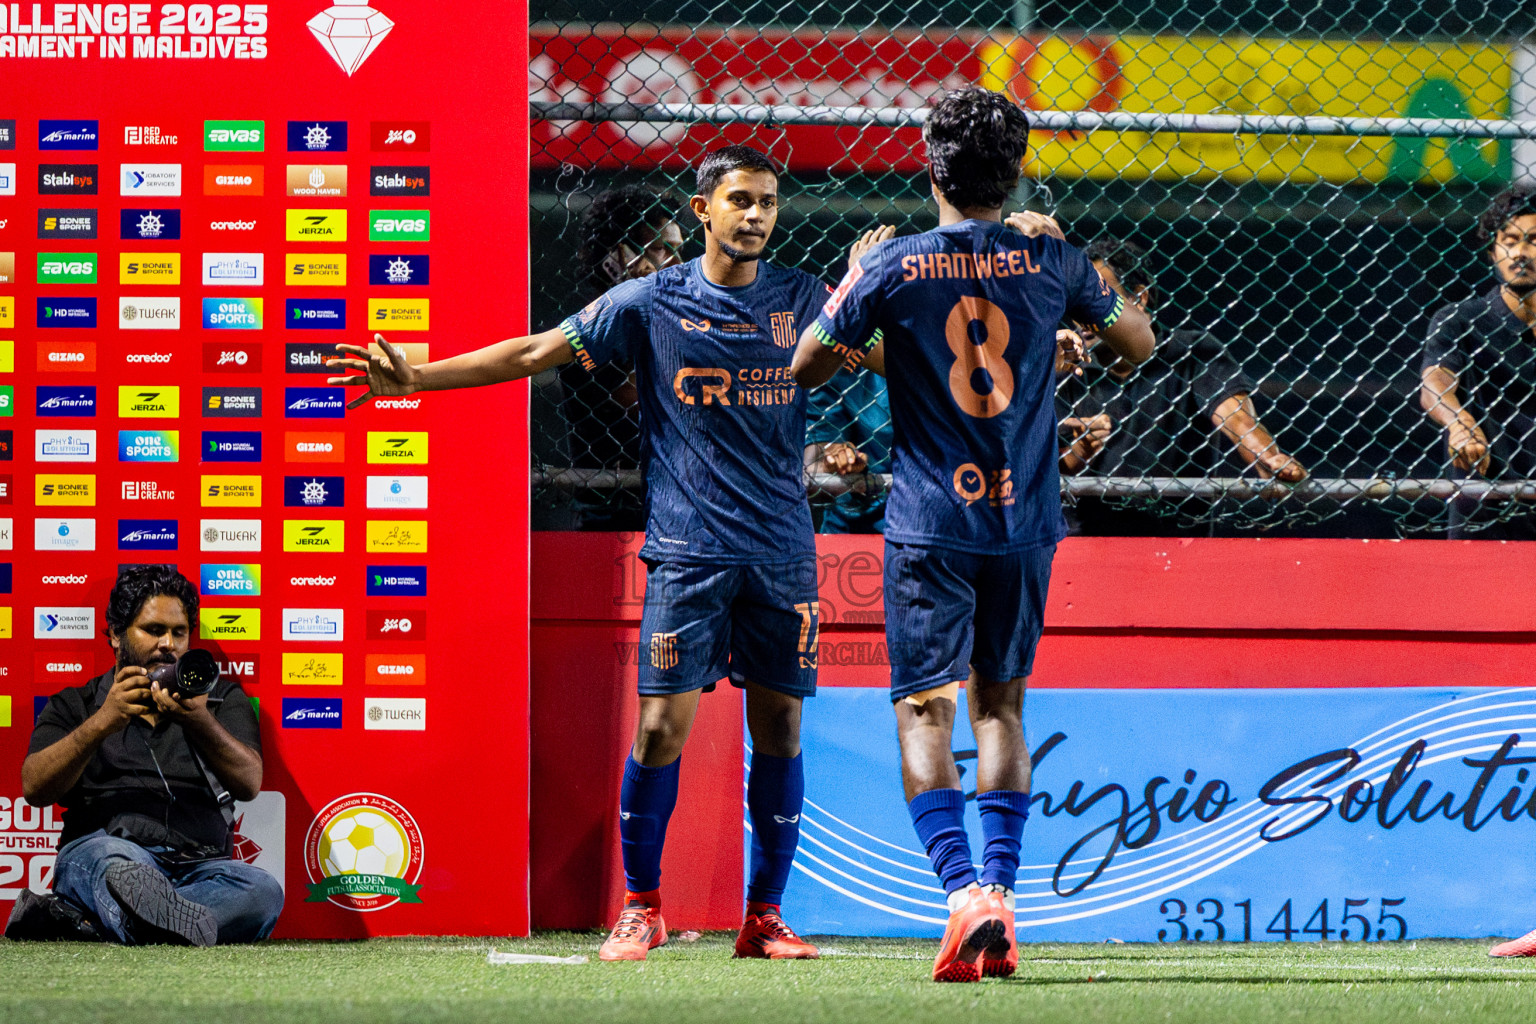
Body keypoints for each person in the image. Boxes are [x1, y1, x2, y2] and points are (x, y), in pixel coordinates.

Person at [329, 144, 890, 962]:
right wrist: (417, 378)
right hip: (686, 553)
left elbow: (892, 360)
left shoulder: (806, 299)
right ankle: (643, 907)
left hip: (781, 553)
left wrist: (862, 295)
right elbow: (531, 353)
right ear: (704, 210)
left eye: (768, 202)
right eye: (740, 199)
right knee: (660, 729)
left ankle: (764, 917)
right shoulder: (648, 302)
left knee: (780, 730)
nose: (756, 215)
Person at [792, 87, 1154, 982]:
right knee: (1002, 707)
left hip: (928, 522)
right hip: (1024, 518)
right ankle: (1004, 891)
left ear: (929, 163)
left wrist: (853, 284)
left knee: (925, 707)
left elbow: (803, 362)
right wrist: (1080, 286)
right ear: (1018, 168)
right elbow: (1137, 344)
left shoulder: (892, 267)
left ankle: (963, 898)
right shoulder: (1053, 258)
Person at [7, 565, 280, 946]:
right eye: (154, 630)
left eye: (178, 632)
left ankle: (100, 923)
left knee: (262, 889)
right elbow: (34, 788)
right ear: (116, 636)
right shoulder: (78, 705)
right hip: (107, 852)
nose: (168, 643)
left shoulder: (219, 701)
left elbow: (249, 782)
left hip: (200, 867)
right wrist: (103, 722)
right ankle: (158, 915)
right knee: (114, 862)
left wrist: (198, 720)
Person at [1024, 228, 1306, 534]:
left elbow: (1236, 416)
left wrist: (1266, 453)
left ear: (1138, 298)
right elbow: (1039, 473)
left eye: (1097, 298)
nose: (1083, 314)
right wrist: (1080, 451)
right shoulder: (1066, 363)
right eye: (1078, 299)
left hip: (1178, 539)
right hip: (1089, 541)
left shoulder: (1190, 352)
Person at [559, 185, 685, 530]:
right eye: (660, 249)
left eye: (678, 250)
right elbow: (637, 396)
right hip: (610, 506)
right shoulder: (587, 320)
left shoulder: (673, 317)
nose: (676, 263)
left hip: (677, 501)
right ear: (618, 255)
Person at [1421, 185, 1536, 541]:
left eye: (1534, 240)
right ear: (1492, 250)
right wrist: (1460, 422)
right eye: (1510, 239)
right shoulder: (1461, 318)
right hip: (1485, 509)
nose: (1520, 253)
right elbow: (1435, 380)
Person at [804, 364, 892, 533]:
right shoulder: (843, 359)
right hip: (856, 526)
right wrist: (838, 458)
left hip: (933, 521)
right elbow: (813, 463)